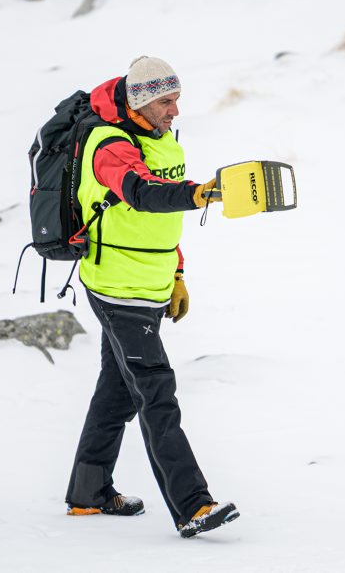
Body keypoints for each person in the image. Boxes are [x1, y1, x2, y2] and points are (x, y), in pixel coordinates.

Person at [64, 56, 239, 538]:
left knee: (117, 390)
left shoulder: (161, 139)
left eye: (177, 99)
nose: (175, 111)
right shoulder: (109, 144)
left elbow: (161, 219)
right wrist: (200, 193)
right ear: (141, 101)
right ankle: (193, 506)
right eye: (166, 101)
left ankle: (88, 493)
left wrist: (177, 273)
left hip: (150, 285)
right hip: (117, 287)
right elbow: (142, 194)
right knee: (156, 392)